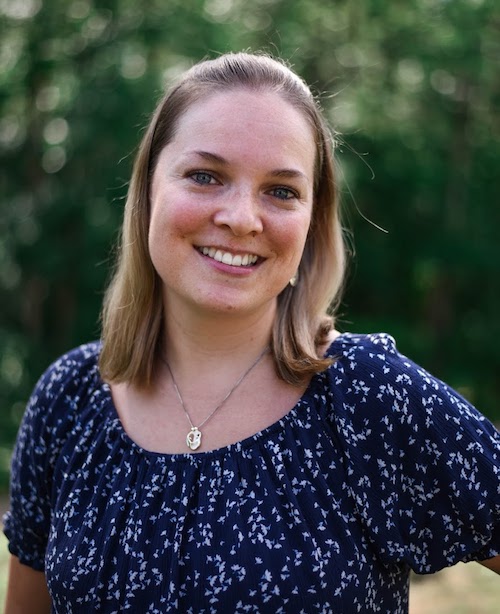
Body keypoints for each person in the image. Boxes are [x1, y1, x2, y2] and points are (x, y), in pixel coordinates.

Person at [3, 52, 499, 613]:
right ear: (147, 192)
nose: (242, 218)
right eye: (205, 176)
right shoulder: (69, 398)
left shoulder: (368, 397)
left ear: (312, 221)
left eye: (281, 191)